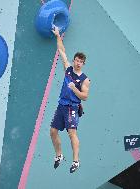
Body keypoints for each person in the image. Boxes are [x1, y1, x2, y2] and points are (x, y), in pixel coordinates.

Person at [50, 27, 90, 173]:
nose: (78, 63)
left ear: (83, 64)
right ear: (74, 61)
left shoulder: (85, 80)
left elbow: (85, 97)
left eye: (81, 62)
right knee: (53, 131)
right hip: (61, 105)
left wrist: (74, 89)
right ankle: (59, 155)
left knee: (71, 133)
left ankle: (75, 161)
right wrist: (57, 35)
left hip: (72, 108)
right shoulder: (68, 69)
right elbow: (62, 51)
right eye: (77, 60)